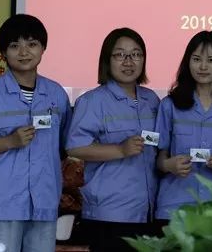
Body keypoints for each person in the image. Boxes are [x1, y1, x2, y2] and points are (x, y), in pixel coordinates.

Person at [0, 13, 71, 252]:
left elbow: (64, 146)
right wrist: (10, 141)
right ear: (3, 52)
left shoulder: (56, 94)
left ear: (43, 48)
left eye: (32, 44)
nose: (24, 52)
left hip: (42, 205)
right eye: (14, 45)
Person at [66, 28, 160, 251]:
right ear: (107, 60)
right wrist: (120, 150)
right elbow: (75, 147)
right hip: (109, 213)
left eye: (136, 54)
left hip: (148, 211)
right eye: (120, 55)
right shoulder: (93, 101)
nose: (128, 61)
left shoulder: (152, 100)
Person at [154, 31, 212, 221]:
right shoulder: (169, 105)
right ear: (188, 62)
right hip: (175, 207)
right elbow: (158, 157)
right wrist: (168, 165)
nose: (203, 67)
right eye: (196, 59)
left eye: (211, 60)